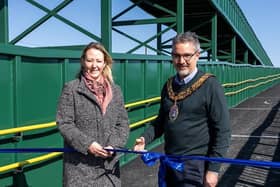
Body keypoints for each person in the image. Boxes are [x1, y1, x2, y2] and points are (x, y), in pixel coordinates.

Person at [134, 31, 231, 187]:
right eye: (176, 55)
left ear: (197, 55)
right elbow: (161, 121)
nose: (181, 61)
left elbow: (223, 130)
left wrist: (213, 170)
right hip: (170, 161)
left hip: (196, 165)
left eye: (187, 55)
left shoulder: (210, 85)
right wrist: (145, 138)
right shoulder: (168, 85)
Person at [56, 42, 129, 187]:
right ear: (83, 61)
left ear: (105, 63)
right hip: (79, 169)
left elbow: (123, 123)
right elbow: (64, 123)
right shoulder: (71, 89)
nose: (94, 65)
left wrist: (113, 145)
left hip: (109, 169)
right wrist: (87, 144)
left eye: (99, 61)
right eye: (90, 60)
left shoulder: (116, 91)